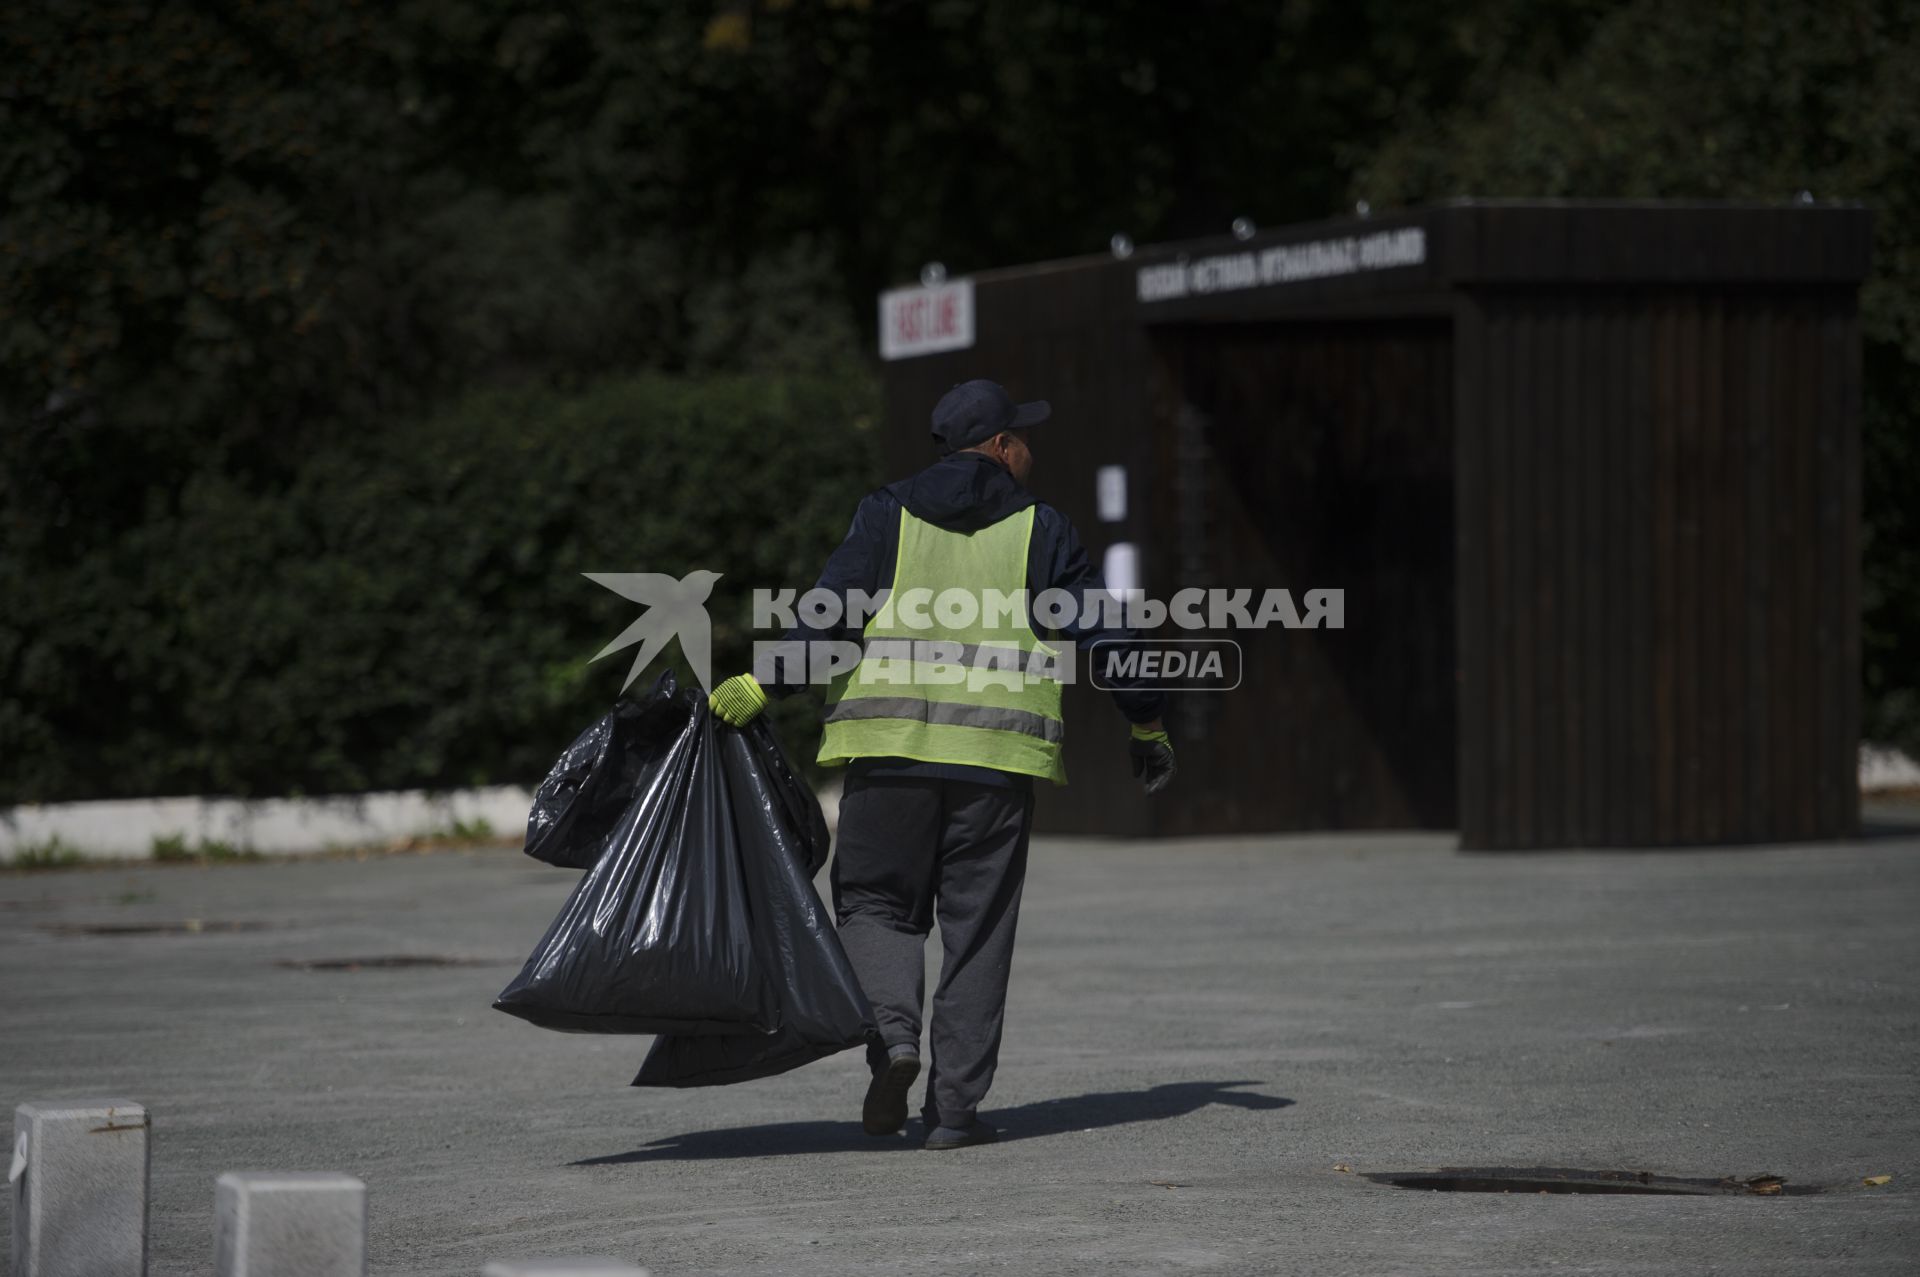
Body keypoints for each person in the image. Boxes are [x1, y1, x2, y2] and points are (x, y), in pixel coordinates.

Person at [706, 378, 1175, 1150]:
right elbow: (1108, 635)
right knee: (978, 931)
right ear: (998, 446)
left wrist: (764, 680)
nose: (1031, 447)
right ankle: (954, 1112)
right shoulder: (1043, 528)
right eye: (1022, 436)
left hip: (888, 760)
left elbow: (829, 610)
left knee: (875, 907)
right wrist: (1147, 719)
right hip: (993, 765)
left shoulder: (884, 513)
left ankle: (895, 1040)